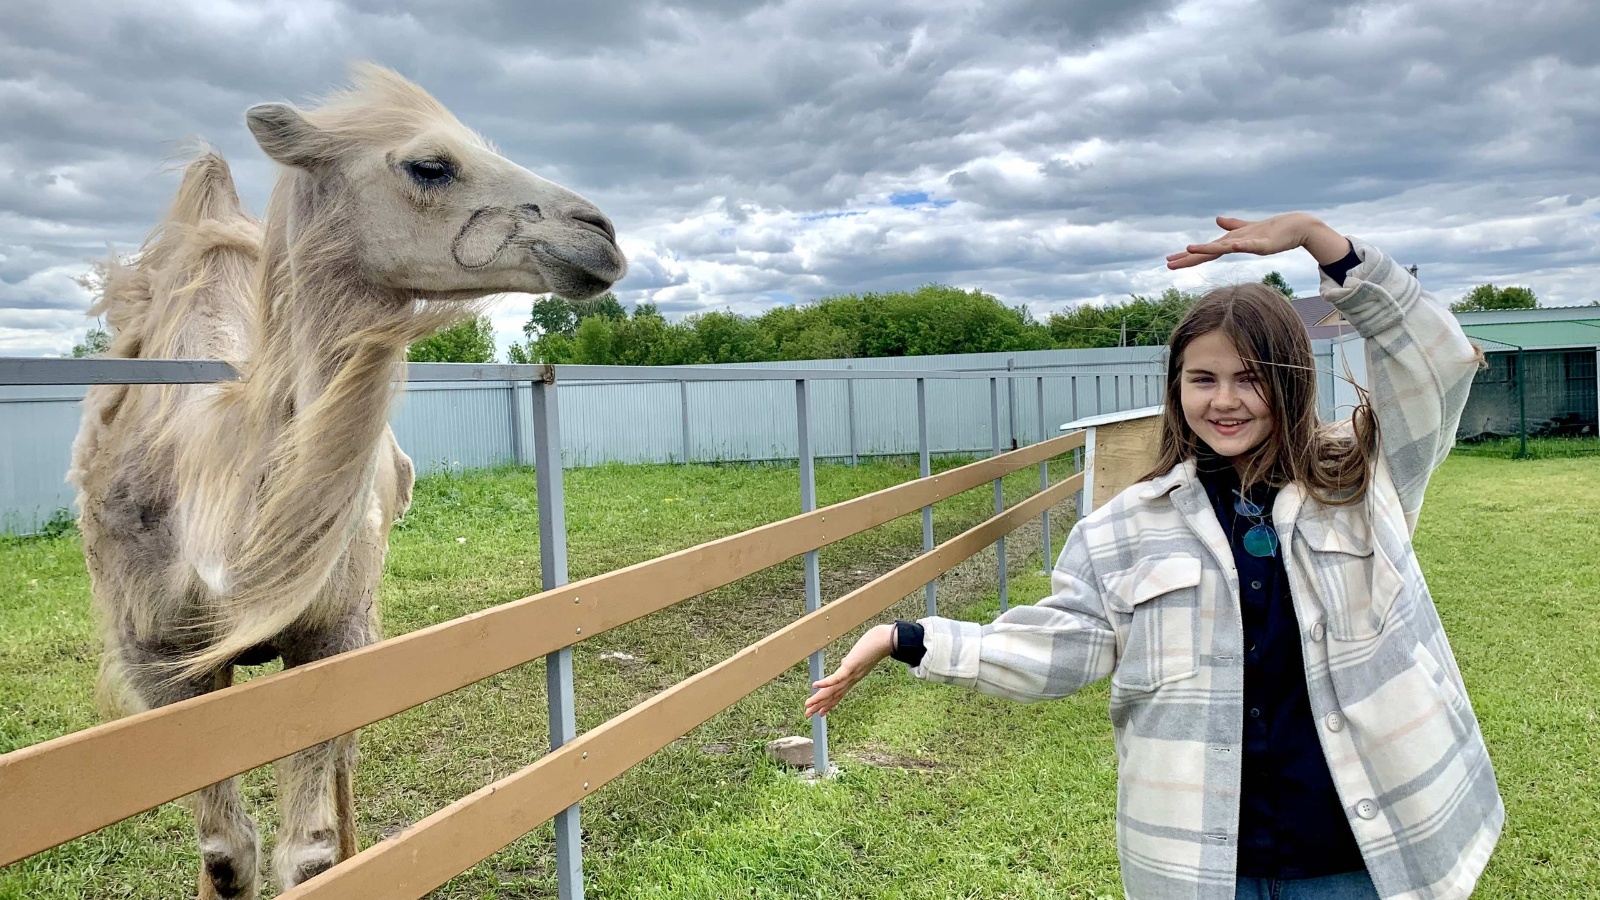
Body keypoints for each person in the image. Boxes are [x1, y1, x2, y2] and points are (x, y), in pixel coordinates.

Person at [806, 212, 1503, 900]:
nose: (1225, 401)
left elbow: (1436, 363)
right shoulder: (1125, 527)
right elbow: (1063, 647)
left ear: (1290, 380)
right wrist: (907, 639)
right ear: (1176, 387)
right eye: (1202, 379)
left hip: (1358, 863)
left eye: (1250, 378)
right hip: (1202, 867)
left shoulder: (1360, 485)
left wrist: (1319, 240)